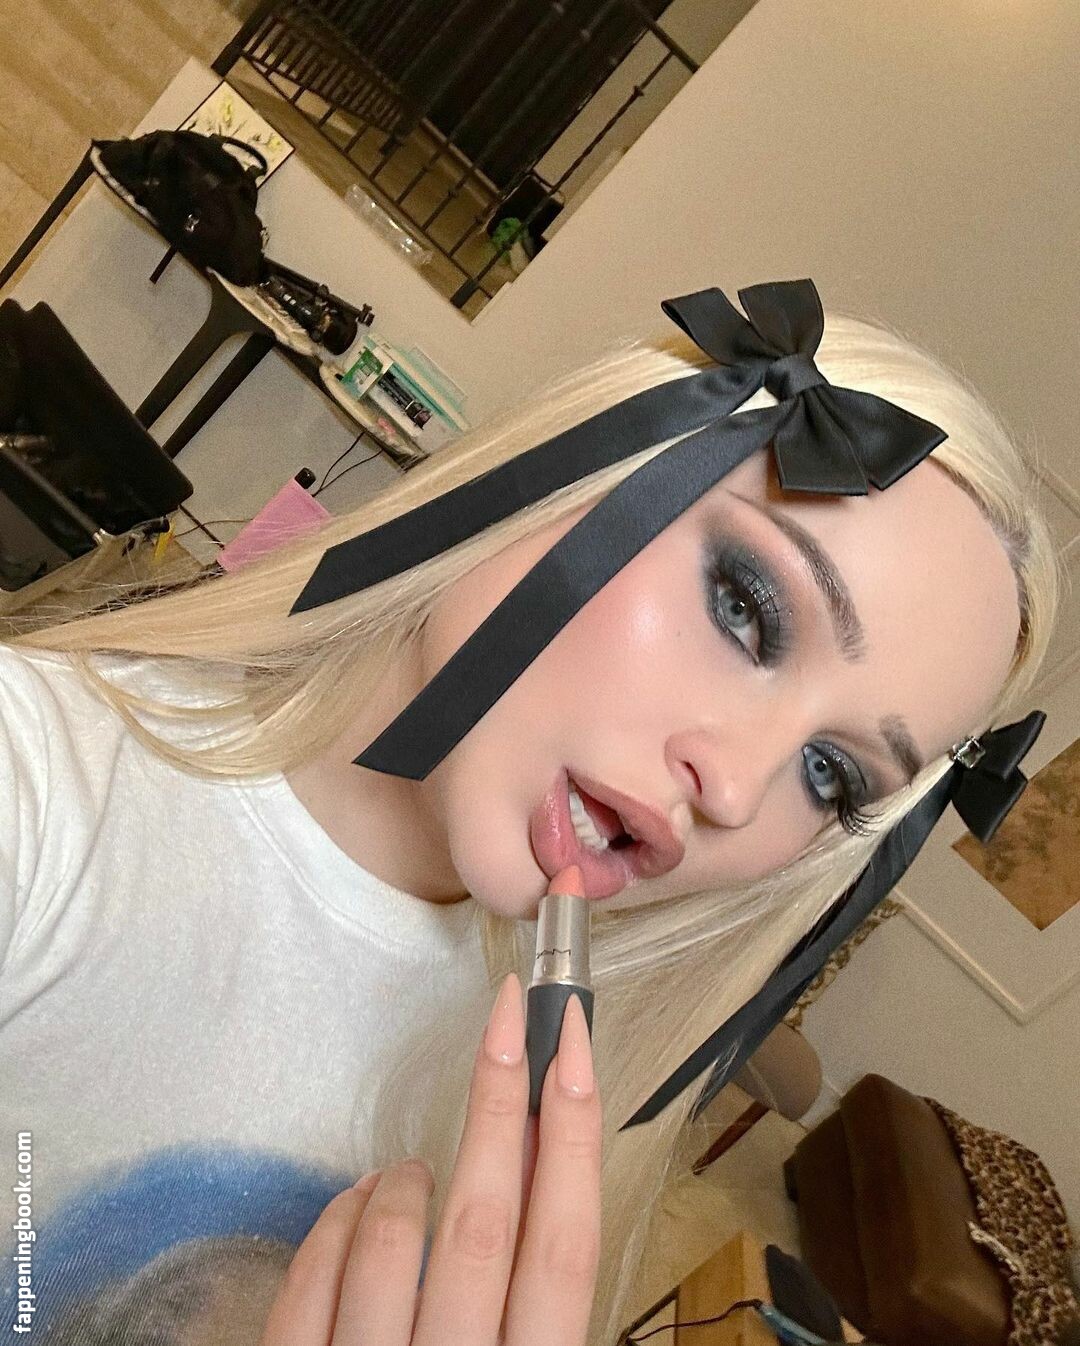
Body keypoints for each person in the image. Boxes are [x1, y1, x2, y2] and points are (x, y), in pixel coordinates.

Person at [0, 281, 1059, 1345]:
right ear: (576, 465)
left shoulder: (562, 1078)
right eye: (745, 606)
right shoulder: (38, 784)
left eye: (831, 773)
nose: (737, 789)